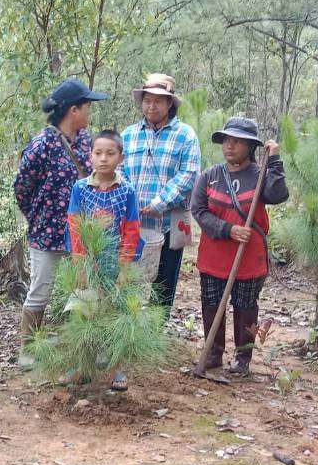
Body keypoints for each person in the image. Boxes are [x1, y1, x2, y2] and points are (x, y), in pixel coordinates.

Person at [13, 78, 107, 363]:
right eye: (87, 107)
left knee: (85, 289)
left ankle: (81, 347)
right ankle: (29, 350)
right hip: (46, 235)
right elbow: (22, 187)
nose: (90, 113)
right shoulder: (42, 144)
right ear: (73, 110)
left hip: (82, 234)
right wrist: (41, 217)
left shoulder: (89, 144)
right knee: (40, 289)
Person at [190, 117, 289, 377]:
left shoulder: (260, 176)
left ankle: (243, 358)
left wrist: (275, 160)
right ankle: (213, 353)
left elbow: (278, 195)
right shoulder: (210, 176)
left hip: (248, 257)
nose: (230, 146)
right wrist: (228, 229)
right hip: (213, 255)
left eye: (237, 141)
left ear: (250, 146)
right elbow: (198, 210)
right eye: (227, 140)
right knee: (211, 303)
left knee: (246, 307)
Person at [66, 129, 141, 390]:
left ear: (120, 157)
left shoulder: (127, 191)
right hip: (88, 262)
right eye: (98, 153)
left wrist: (124, 267)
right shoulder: (80, 188)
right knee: (85, 312)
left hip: (115, 263)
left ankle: (116, 369)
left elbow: (132, 230)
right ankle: (82, 366)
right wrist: (80, 264)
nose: (103, 159)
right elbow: (75, 227)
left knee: (115, 314)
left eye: (110, 153)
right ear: (90, 156)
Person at [121, 73, 201, 312]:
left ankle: (157, 331)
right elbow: (118, 169)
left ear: (170, 104)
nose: (151, 106)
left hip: (168, 222)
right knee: (128, 281)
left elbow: (189, 174)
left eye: (158, 100)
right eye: (147, 100)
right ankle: (129, 330)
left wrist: (160, 202)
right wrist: (129, 201)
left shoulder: (185, 135)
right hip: (132, 224)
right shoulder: (128, 135)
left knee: (164, 283)